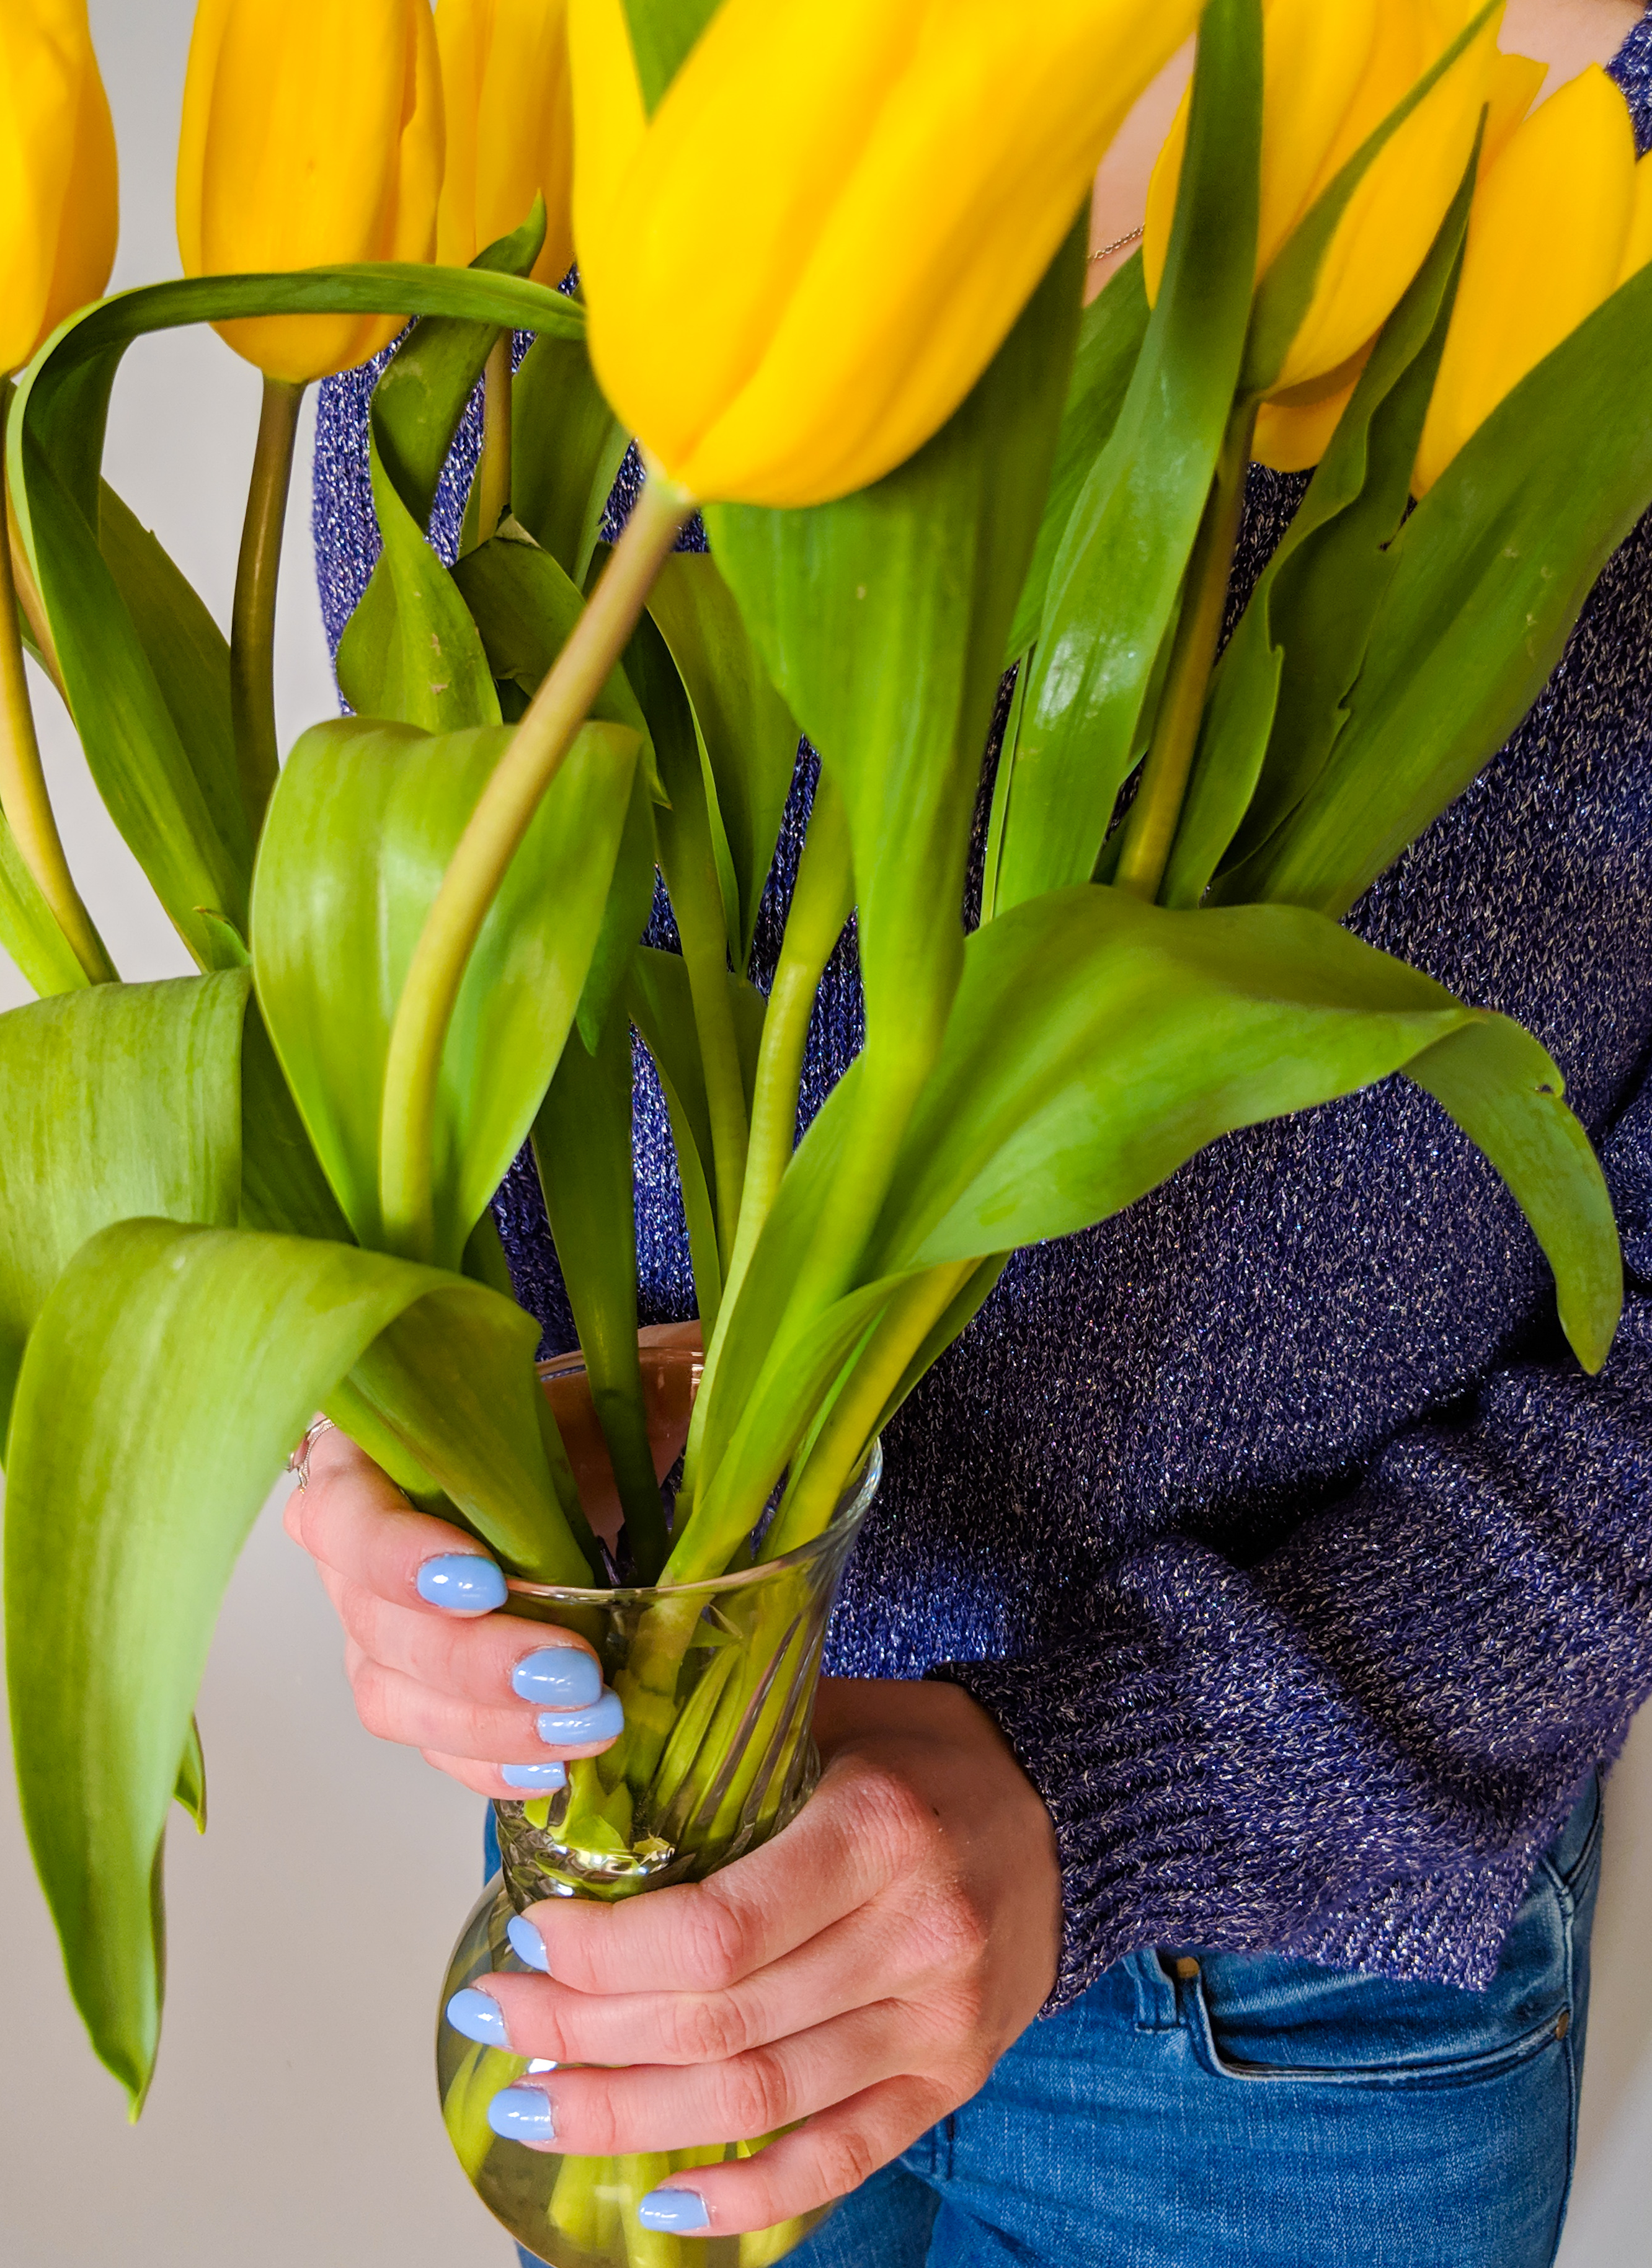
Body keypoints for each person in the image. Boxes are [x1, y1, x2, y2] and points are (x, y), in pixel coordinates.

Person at [298, 6, 1652, 2261]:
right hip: (654, 1862)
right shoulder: (549, 45)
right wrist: (416, 1402)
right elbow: (438, 830)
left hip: (1286, 1992)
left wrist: (1114, 1784)